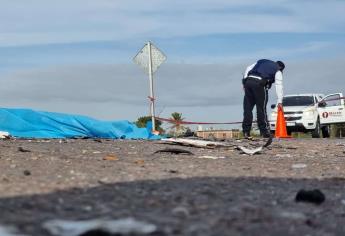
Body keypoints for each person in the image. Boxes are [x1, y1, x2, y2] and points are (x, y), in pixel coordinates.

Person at [242, 59, 285, 139]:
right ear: (281, 68)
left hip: (249, 82)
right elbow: (279, 86)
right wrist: (280, 101)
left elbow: (248, 68)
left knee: (247, 108)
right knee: (261, 108)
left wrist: (244, 82)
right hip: (259, 84)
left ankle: (246, 131)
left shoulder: (262, 61)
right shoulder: (278, 70)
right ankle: (264, 132)